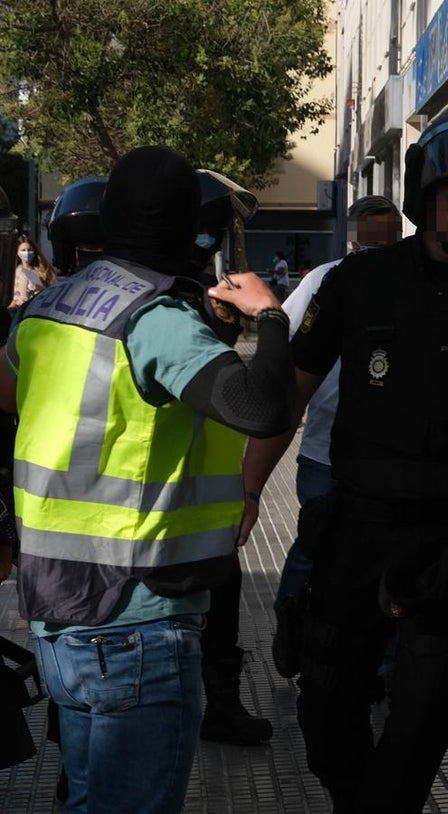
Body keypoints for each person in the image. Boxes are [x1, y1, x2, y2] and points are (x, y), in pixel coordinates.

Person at [241, 111, 448, 812]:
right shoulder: (355, 285)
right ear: (424, 200)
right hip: (357, 529)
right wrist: (246, 491)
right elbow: (290, 397)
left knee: (420, 721)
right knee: (327, 713)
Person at [0, 146, 296, 813]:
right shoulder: (154, 317)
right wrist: (270, 316)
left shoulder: (49, 308)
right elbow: (261, 407)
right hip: (136, 620)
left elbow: (22, 398)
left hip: (57, 616)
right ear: (186, 227)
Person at [270, 193, 403, 680]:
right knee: (318, 546)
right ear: (352, 239)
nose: (379, 248)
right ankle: (293, 620)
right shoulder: (323, 281)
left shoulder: (416, 283)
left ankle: (384, 664)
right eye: (369, 241)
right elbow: (283, 345)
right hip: (327, 451)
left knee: (390, 559)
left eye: (389, 238)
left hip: (395, 455)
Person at [190, 168, 277, 745]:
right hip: (152, 509)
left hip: (204, 501)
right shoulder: (163, 307)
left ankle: (221, 704)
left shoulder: (194, 294)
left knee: (220, 613)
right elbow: (262, 406)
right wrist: (270, 320)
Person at [8, 237, 56, 310]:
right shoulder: (12, 271)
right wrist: (10, 303)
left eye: (29, 250)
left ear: (34, 252)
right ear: (17, 252)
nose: (26, 253)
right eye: (23, 250)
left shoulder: (43, 271)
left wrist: (41, 289)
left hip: (34, 309)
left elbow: (54, 292)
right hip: (15, 310)